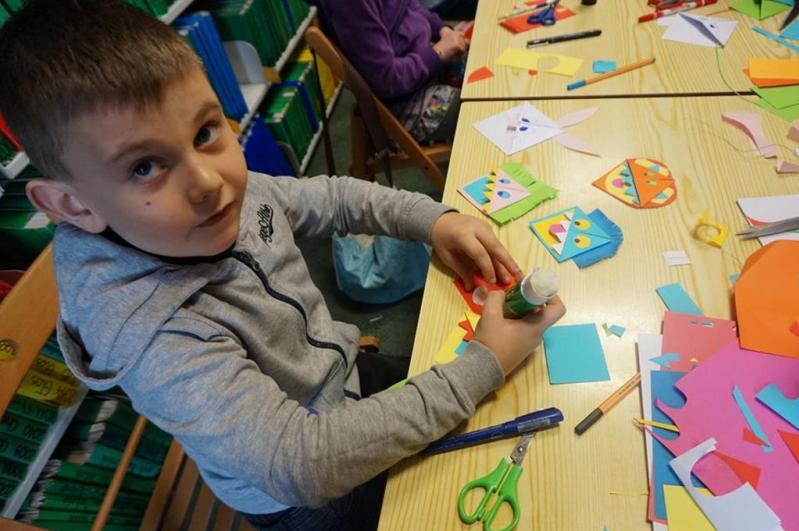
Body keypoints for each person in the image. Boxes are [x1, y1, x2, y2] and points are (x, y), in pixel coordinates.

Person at [0, 1, 566, 529]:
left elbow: (332, 198)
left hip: (345, 372)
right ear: (73, 205)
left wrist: (433, 220)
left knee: (517, 410)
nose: (208, 182)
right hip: (312, 495)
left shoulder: (220, 197)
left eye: (205, 132)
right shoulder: (151, 334)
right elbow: (304, 465)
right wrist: (483, 364)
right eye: (144, 167)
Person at [308, 0, 469, 144]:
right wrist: (439, 52)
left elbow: (407, 6)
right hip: (406, 103)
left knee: (481, 65)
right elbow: (388, 80)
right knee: (477, 113)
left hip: (424, 65)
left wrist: (442, 30)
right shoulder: (351, 5)